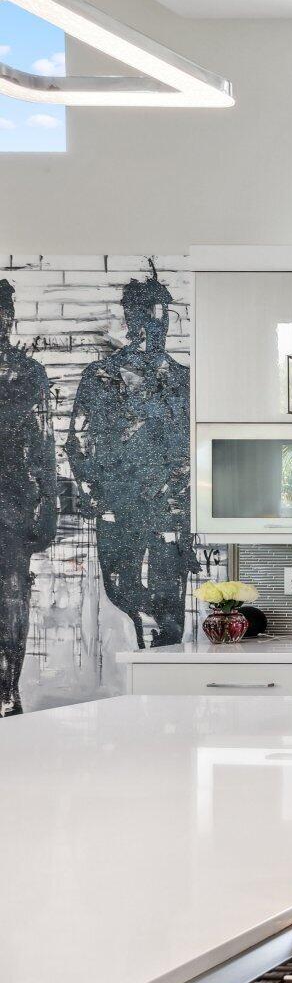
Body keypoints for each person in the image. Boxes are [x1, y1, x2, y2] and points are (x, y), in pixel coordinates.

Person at [68, 271, 193, 652]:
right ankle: (142, 660)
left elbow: (200, 445)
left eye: (163, 314)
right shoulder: (99, 376)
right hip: (117, 506)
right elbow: (77, 441)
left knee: (170, 607)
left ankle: (166, 680)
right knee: (121, 592)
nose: (158, 322)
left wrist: (183, 486)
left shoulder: (184, 380)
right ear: (130, 319)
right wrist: (94, 491)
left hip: (169, 511)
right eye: (149, 314)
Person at [0, 278, 60, 715]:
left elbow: (45, 443)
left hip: (13, 504)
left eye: (4, 311)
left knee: (11, 596)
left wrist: (49, 504)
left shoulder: (28, 373)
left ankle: (7, 691)